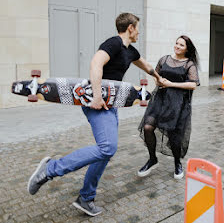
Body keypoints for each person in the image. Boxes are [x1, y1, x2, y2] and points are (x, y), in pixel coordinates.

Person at [27, 13, 162, 217]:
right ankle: (50, 169)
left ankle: (86, 198)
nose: (139, 32)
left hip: (110, 103)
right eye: (138, 28)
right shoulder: (113, 43)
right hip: (96, 101)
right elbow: (95, 64)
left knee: (105, 151)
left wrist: (158, 77)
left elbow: (146, 65)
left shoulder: (129, 51)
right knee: (108, 147)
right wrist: (97, 97)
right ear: (131, 28)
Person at [137, 35, 199, 180]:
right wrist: (158, 81)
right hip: (159, 99)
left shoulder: (189, 64)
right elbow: (156, 74)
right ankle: (152, 159)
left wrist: (171, 84)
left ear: (187, 49)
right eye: (176, 43)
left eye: (181, 45)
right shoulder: (164, 59)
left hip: (177, 104)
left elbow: (193, 84)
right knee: (147, 127)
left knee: (174, 136)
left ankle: (177, 162)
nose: (177, 46)